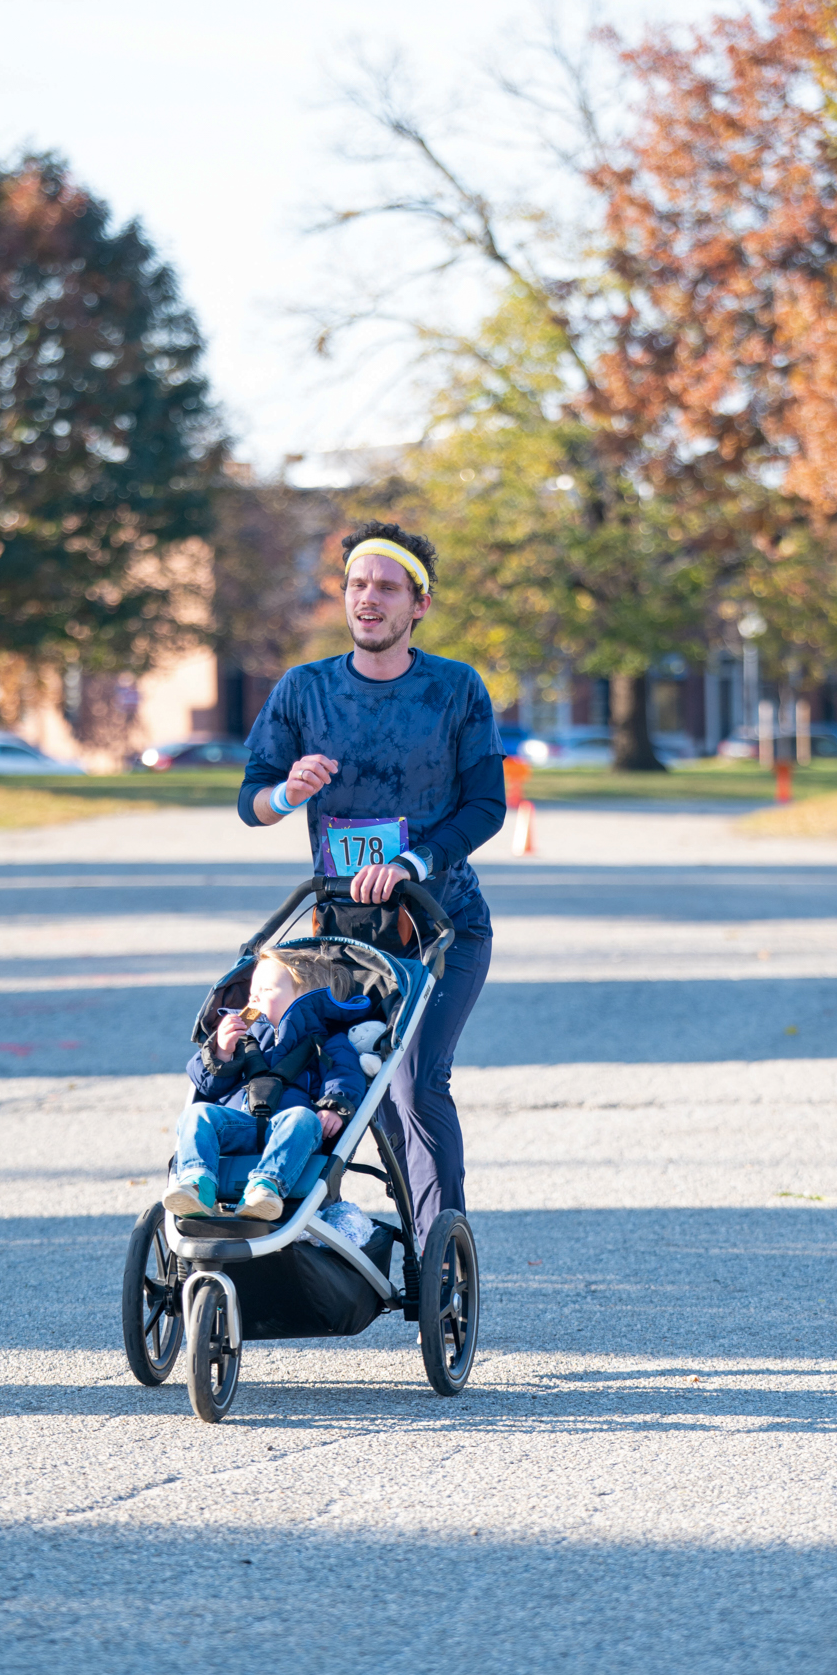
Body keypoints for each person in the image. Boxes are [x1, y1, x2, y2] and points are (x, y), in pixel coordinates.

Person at [239, 519, 506, 1248]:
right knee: (352, 1091)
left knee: (414, 1085)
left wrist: (413, 862)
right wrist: (289, 792)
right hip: (343, 941)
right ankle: (342, 1231)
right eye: (358, 585)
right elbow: (252, 803)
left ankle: (442, 1254)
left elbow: (487, 805)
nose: (369, 599)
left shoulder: (454, 689)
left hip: (439, 926)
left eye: (386, 588)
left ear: (417, 605)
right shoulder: (303, 691)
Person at [168, 948, 368, 1221]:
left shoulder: (327, 1042)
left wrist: (334, 1107)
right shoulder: (241, 1037)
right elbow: (208, 1086)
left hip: (287, 1133)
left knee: (304, 1118)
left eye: (266, 989)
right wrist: (221, 1052)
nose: (254, 998)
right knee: (196, 1113)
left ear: (305, 998)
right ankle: (196, 1183)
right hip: (237, 1126)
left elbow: (345, 1075)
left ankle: (265, 1188)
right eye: (252, 991)